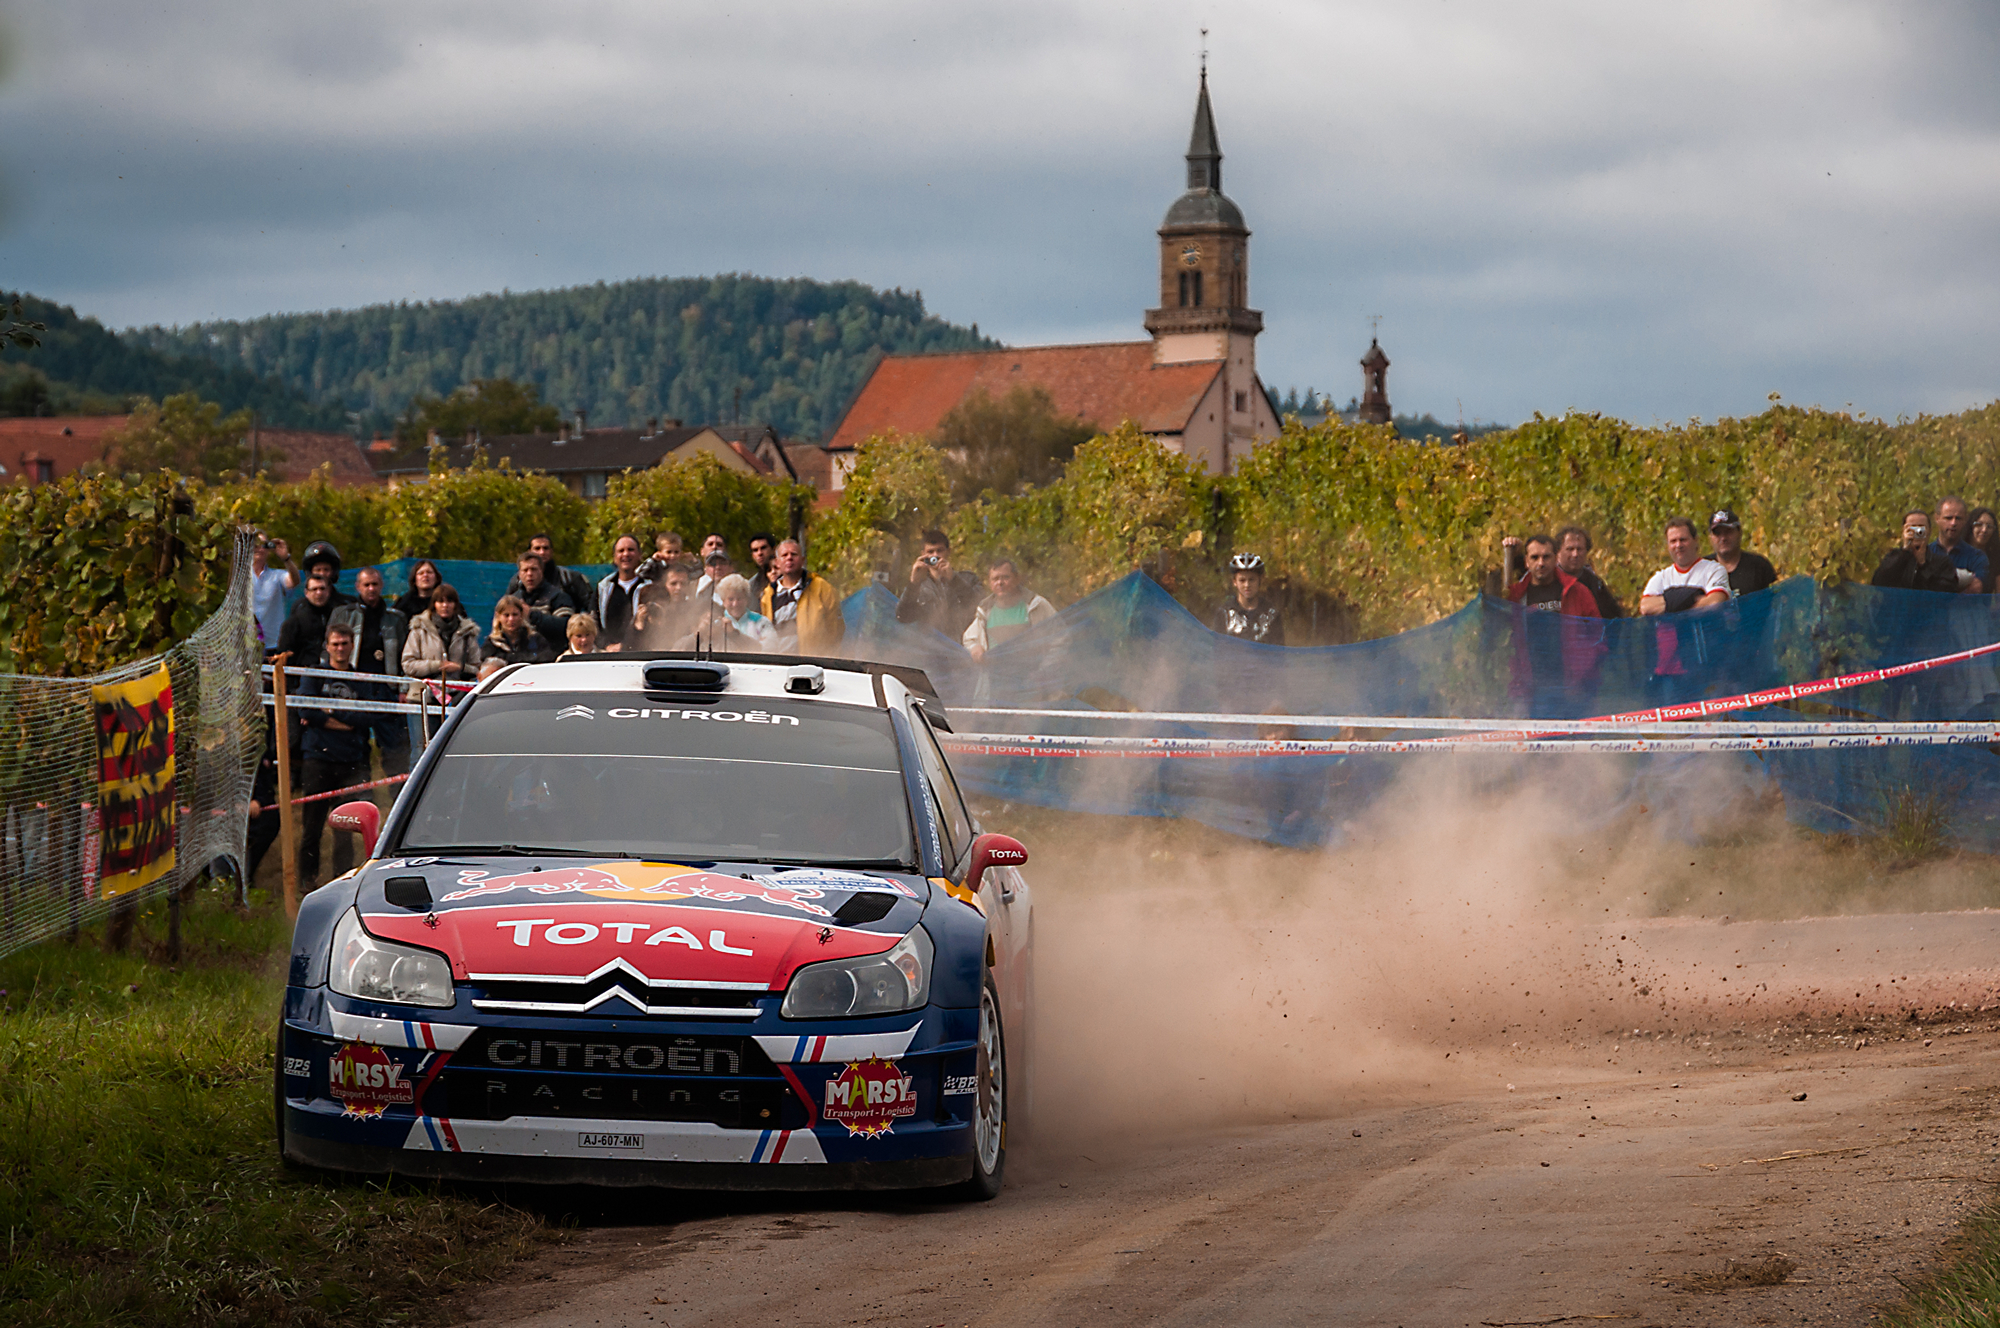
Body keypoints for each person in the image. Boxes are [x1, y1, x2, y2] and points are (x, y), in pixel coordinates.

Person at [294, 624, 389, 889]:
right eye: (335, 644)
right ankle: (306, 882)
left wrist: (330, 714)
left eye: (344, 643)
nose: (340, 648)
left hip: (351, 760)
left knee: (345, 828)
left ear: (352, 646)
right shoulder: (314, 675)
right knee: (311, 826)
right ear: (327, 646)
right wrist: (344, 720)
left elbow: (367, 717)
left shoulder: (361, 679)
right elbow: (306, 711)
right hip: (317, 758)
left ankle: (342, 882)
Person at [1503, 533, 1604, 713]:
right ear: (1526, 561)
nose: (1541, 563)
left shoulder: (1577, 592)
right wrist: (1508, 553)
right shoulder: (1515, 597)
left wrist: (1584, 673)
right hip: (1534, 691)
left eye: (1546, 557)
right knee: (1542, 740)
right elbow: (1501, 635)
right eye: (1535, 557)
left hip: (1575, 689)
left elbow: (1598, 634)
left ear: (1556, 557)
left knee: (1580, 741)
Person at [328, 566, 410, 786]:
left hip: (386, 689)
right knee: (356, 748)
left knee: (395, 753)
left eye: (375, 584)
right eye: (366, 585)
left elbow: (405, 656)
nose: (371, 589)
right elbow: (329, 649)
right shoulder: (343, 614)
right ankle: (361, 799)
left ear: (381, 586)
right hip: (354, 689)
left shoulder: (396, 619)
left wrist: (402, 689)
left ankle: (398, 805)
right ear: (358, 587)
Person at [761, 538, 845, 654]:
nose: (789, 558)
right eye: (784, 555)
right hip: (780, 663)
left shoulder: (822, 588)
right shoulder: (768, 595)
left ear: (802, 560)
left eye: (794, 554)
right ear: (777, 562)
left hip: (814, 661)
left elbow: (836, 629)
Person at [896, 530, 982, 641]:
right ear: (923, 554)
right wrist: (914, 584)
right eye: (930, 552)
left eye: (939, 551)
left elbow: (979, 607)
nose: (935, 556)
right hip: (929, 651)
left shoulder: (968, 579)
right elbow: (903, 616)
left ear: (948, 551)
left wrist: (954, 579)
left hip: (962, 649)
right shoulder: (919, 586)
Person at [964, 560, 1057, 661]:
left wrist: (1046, 671)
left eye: (1005, 577)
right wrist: (975, 647)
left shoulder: (1035, 605)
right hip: (996, 675)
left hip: (1033, 674)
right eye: (995, 579)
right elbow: (969, 639)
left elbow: (1060, 637)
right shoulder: (985, 610)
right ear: (990, 583)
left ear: (1017, 579)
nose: (1000, 583)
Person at [402, 582, 484, 695]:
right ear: (434, 604)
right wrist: (438, 666)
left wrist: (460, 667)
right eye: (440, 601)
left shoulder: (467, 632)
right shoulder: (419, 629)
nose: (445, 605)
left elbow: (478, 668)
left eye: (449, 601)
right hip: (423, 695)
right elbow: (408, 664)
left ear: (456, 604)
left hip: (457, 695)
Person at [1639, 518, 1729, 615]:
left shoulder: (1714, 570)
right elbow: (1646, 607)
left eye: (1683, 540)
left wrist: (1670, 605)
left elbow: (1715, 603)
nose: (1678, 545)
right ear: (1668, 546)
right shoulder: (1661, 578)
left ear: (1695, 541)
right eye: (1673, 541)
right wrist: (1692, 599)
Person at [506, 532, 599, 618]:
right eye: (537, 548)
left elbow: (591, 608)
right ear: (529, 551)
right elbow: (505, 609)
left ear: (551, 551)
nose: (542, 552)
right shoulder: (517, 581)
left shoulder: (569, 578)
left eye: (545, 548)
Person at [1872, 509, 1961, 593]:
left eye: (1921, 529)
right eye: (1912, 528)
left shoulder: (1943, 563)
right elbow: (1878, 583)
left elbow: (1946, 593)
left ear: (1929, 531)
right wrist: (1904, 552)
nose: (1917, 532)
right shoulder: (1893, 557)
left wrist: (1923, 565)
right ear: (1904, 531)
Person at [679, 575, 774, 652]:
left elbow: (769, 650)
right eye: (730, 599)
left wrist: (734, 634)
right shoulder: (714, 622)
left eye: (740, 598)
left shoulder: (761, 621)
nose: (735, 604)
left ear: (747, 599)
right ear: (723, 601)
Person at [275, 570, 350, 667]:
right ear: (306, 593)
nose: (319, 593)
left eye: (322, 589)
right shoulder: (295, 621)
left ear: (329, 591)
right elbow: (284, 653)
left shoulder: (339, 616)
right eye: (314, 589)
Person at [1212, 552, 1285, 644]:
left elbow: (1279, 653)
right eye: (1242, 580)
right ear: (1234, 582)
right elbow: (1218, 652)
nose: (1247, 585)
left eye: (1252, 579)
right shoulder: (1224, 614)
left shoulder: (1271, 614)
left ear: (1260, 580)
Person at [1706, 510, 1779, 598]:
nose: (1723, 538)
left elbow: (1777, 602)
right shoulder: (1701, 569)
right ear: (1710, 538)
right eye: (1717, 533)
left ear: (1739, 533)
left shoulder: (1759, 566)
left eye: (1728, 531)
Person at [1554, 525, 1622, 618]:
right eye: (1570, 549)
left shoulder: (1595, 584)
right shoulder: (1548, 581)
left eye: (1579, 549)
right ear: (1558, 552)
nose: (1575, 554)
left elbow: (1613, 618)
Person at [595, 535, 650, 649]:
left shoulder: (650, 588)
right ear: (615, 557)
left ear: (640, 555)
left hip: (640, 652)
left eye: (631, 550)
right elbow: (593, 621)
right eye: (621, 551)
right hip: (608, 654)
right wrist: (606, 646)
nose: (626, 554)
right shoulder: (603, 588)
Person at [634, 563, 700, 651]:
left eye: (683, 584)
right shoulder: (650, 611)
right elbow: (631, 647)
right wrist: (638, 627)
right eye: (673, 583)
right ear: (664, 585)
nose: (678, 588)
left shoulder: (695, 612)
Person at [250, 533, 298, 655]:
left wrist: (286, 558)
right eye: (256, 545)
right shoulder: (241, 576)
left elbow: (294, 581)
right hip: (246, 643)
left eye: (264, 545)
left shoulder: (276, 575)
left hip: (274, 643)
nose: (260, 549)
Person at [514, 553, 576, 646]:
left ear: (542, 571)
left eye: (534, 569)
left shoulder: (558, 596)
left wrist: (532, 615)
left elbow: (566, 627)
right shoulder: (514, 599)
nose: (529, 574)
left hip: (551, 655)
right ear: (519, 574)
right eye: (525, 570)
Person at [1932, 496, 1989, 593]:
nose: (1953, 523)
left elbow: (1976, 589)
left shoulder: (1977, 557)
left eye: (1958, 518)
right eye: (1948, 518)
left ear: (1965, 520)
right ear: (1937, 518)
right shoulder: (1926, 553)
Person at [487, 594, 559, 666]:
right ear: (498, 616)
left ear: (521, 615)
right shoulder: (492, 642)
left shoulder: (535, 639)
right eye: (506, 615)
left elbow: (548, 657)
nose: (511, 619)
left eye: (515, 615)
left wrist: (508, 658)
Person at [1969, 508, 2000, 592]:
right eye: (1979, 524)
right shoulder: (1957, 552)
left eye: (1989, 526)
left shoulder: (1995, 559)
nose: (1984, 530)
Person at [747, 532, 778, 604]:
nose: (759, 553)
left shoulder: (788, 575)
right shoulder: (751, 585)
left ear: (773, 549)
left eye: (763, 548)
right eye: (755, 550)